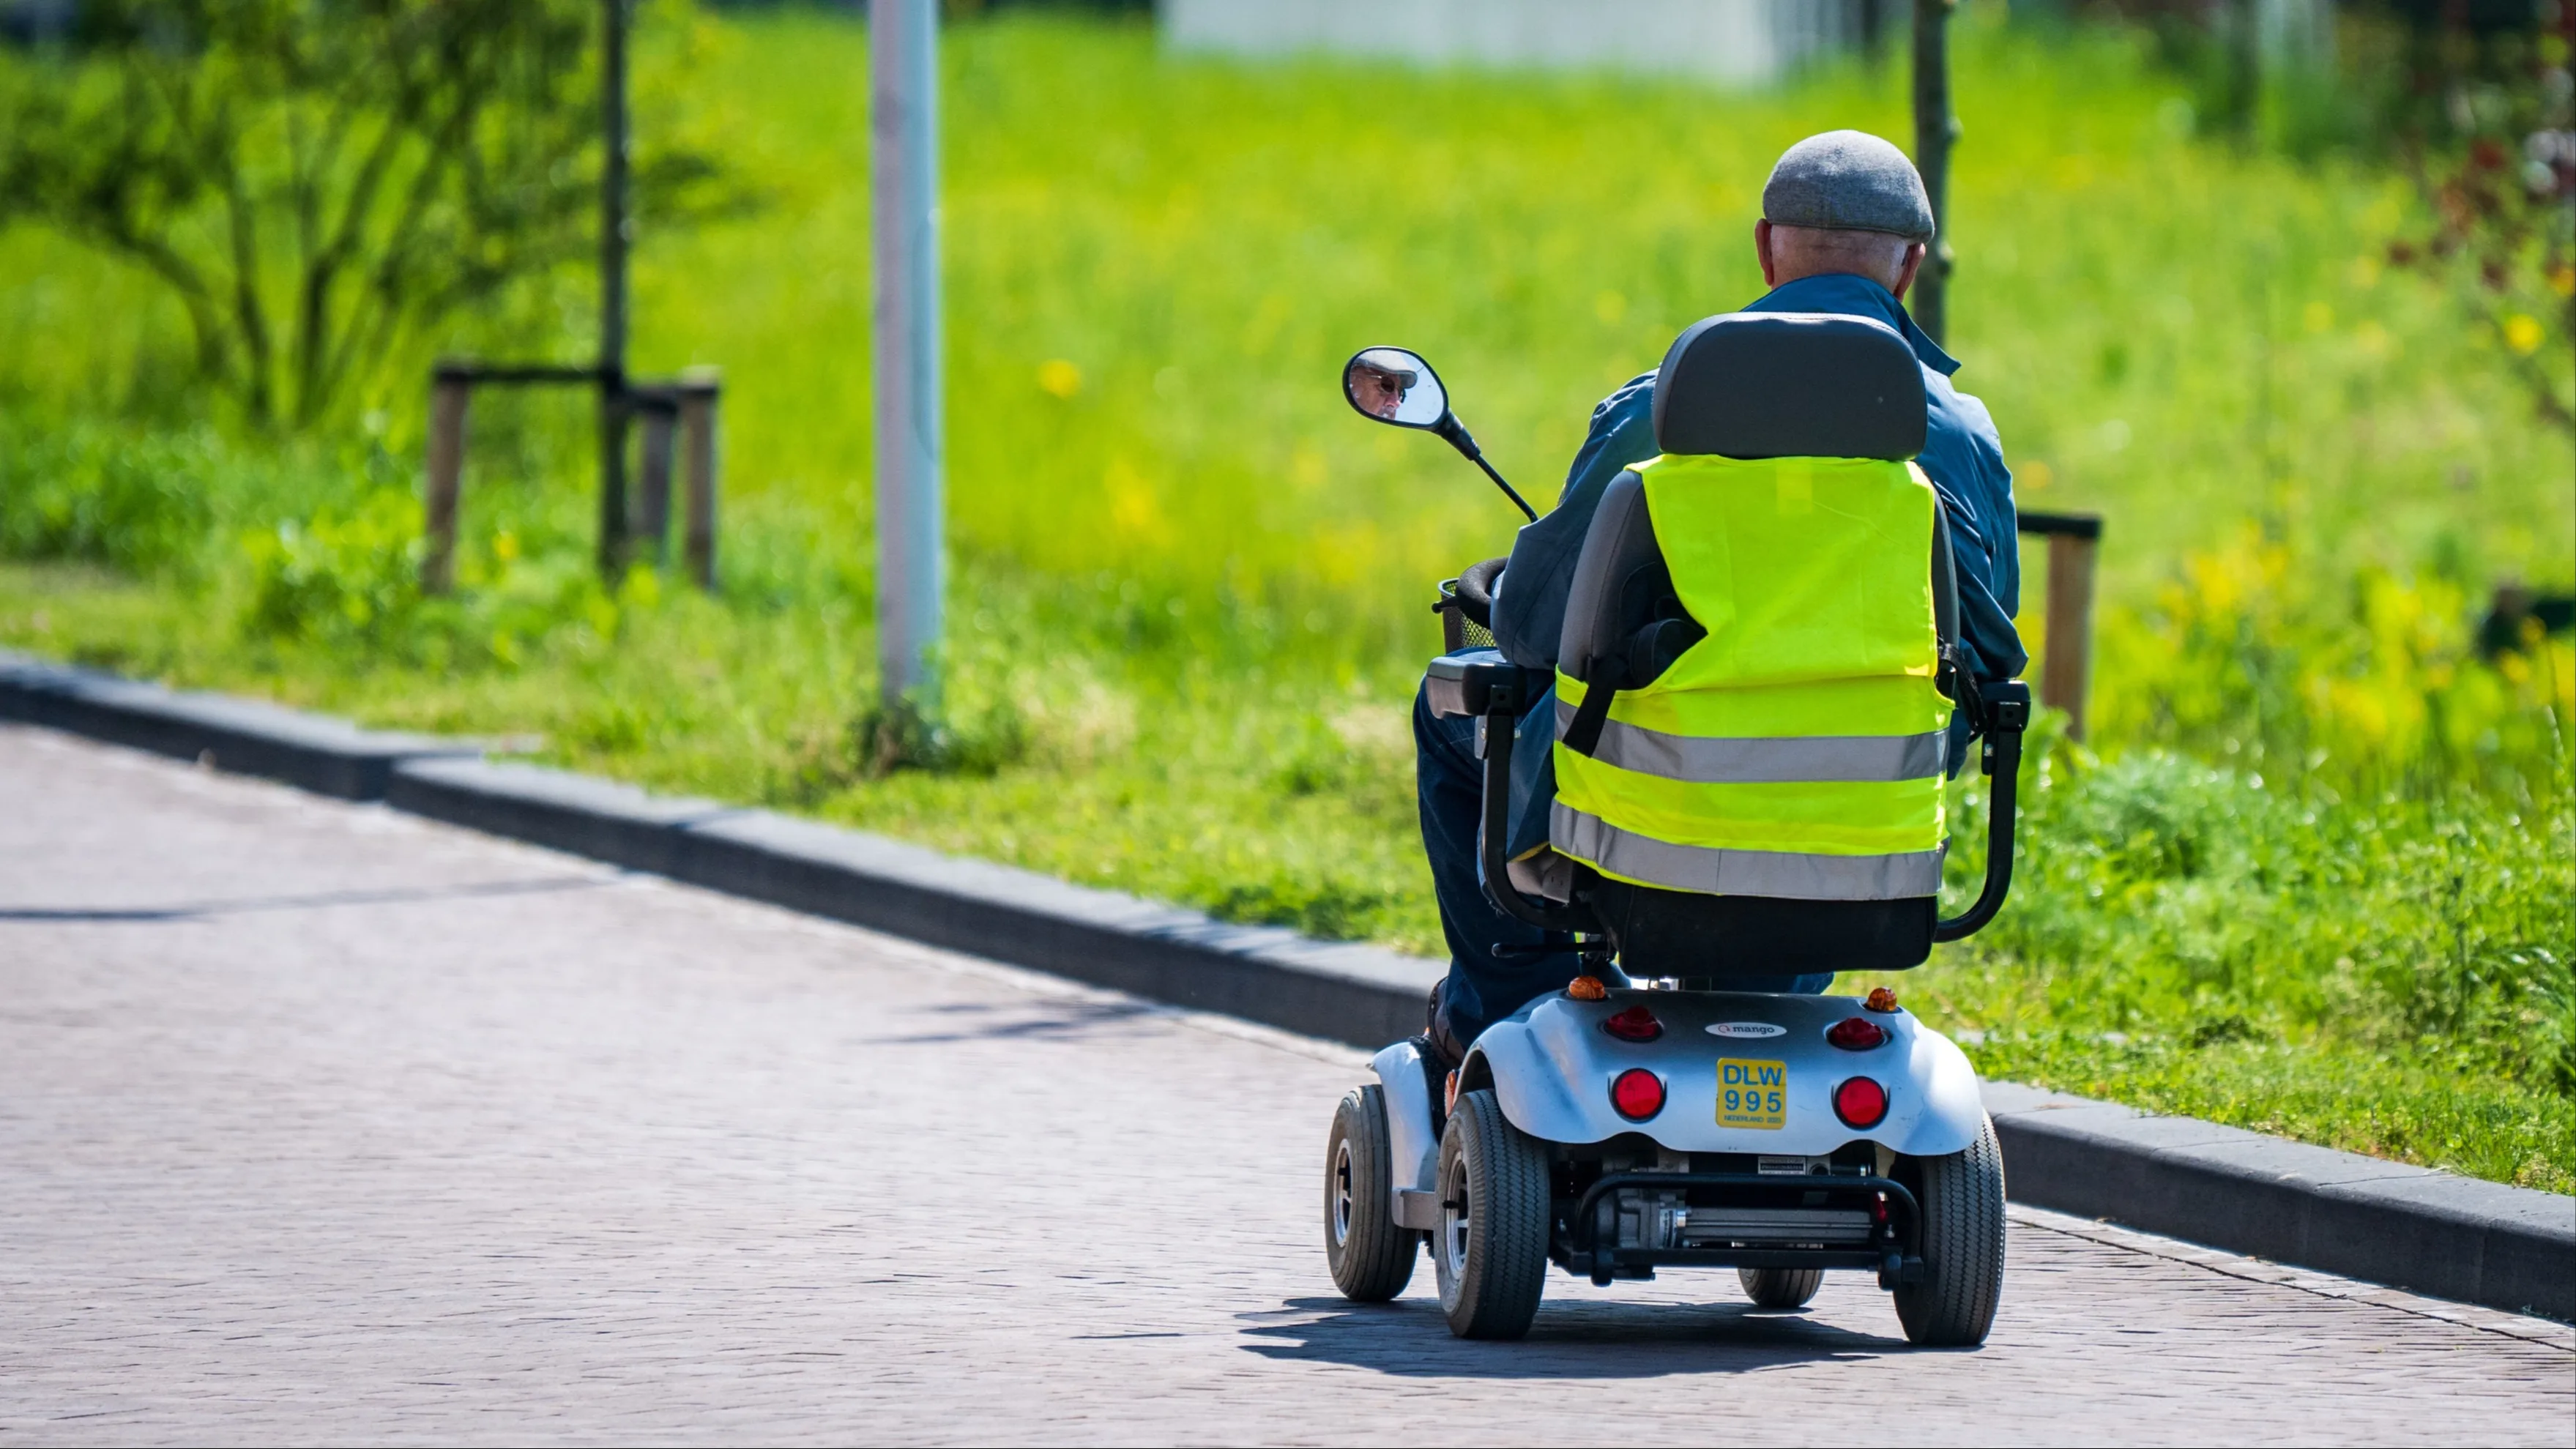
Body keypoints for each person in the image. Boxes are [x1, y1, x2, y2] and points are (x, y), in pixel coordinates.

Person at [1412, 130, 2030, 1068]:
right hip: (1863, 836)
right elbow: (1986, 658)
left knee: (1452, 706)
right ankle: (1766, 1011)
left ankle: (1505, 1016)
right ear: (1908, 267)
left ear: (1764, 248)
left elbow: (1536, 628)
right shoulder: (1960, 438)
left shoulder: (1658, 410)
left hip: (1647, 810)